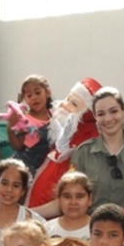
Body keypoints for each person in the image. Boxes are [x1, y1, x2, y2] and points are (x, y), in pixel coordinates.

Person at [26, 77, 102, 207]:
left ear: (87, 114)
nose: (63, 105)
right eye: (67, 99)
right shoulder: (66, 133)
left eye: (74, 103)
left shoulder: (86, 142)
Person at [6, 74, 53, 174]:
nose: (34, 98)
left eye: (37, 92)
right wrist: (10, 129)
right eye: (29, 95)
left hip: (46, 166)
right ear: (24, 99)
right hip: (24, 166)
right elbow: (18, 146)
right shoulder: (23, 119)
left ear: (48, 93)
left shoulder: (55, 115)